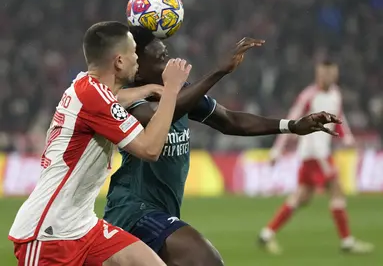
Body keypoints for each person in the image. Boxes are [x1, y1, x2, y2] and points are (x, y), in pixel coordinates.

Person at [103, 26, 341, 266]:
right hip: (133, 212)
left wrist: (291, 125)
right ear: (138, 68)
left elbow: (231, 121)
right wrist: (218, 71)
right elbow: (157, 115)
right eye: (161, 56)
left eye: (166, 52)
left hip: (162, 211)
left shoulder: (183, 95)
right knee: (206, 260)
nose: (169, 58)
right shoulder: (127, 100)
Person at [8, 21, 192, 266]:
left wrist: (147, 89)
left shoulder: (85, 85)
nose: (137, 59)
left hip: (83, 225)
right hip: (48, 234)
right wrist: (170, 88)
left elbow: (113, 98)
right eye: (133, 53)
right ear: (118, 61)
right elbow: (149, 149)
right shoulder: (93, 97)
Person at [258, 61, 374, 254]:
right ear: (318, 74)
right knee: (336, 191)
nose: (327, 77)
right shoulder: (309, 96)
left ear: (335, 74)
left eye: (331, 73)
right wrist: (277, 150)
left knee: (302, 197)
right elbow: (290, 121)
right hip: (314, 154)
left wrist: (348, 139)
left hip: (319, 154)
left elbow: (338, 119)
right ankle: (347, 241)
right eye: (324, 74)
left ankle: (266, 233)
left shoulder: (336, 94)